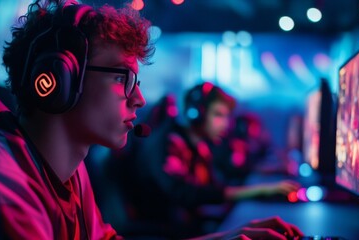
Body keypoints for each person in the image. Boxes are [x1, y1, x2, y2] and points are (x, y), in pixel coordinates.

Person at [0, 0, 303, 239]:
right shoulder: (0, 186)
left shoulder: (66, 167)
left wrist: (224, 238)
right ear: (59, 79)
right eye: (123, 78)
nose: (138, 99)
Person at [129, 82, 301, 238]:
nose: (225, 124)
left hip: (188, 229)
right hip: (165, 233)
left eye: (226, 117)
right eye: (218, 115)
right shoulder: (167, 143)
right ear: (196, 114)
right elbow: (185, 193)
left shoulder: (200, 145)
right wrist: (259, 191)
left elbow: (221, 179)